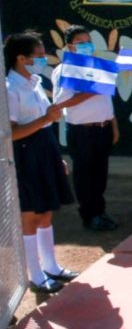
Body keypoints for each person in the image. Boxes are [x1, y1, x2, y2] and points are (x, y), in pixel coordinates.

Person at [6, 32, 78, 294]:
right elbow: (11, 133)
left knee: (47, 210)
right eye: (37, 56)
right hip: (25, 154)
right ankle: (34, 274)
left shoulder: (35, 83)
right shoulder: (9, 89)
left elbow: (44, 121)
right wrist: (45, 118)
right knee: (31, 213)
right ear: (20, 58)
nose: (42, 60)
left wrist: (56, 155)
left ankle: (52, 266)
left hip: (45, 147)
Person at [51, 25, 119, 231]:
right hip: (83, 131)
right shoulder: (64, 70)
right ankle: (89, 215)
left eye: (89, 42)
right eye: (81, 43)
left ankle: (100, 211)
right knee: (85, 175)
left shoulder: (97, 67)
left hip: (103, 128)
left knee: (100, 174)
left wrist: (113, 125)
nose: (87, 46)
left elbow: (107, 100)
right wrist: (91, 91)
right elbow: (61, 102)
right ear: (70, 46)